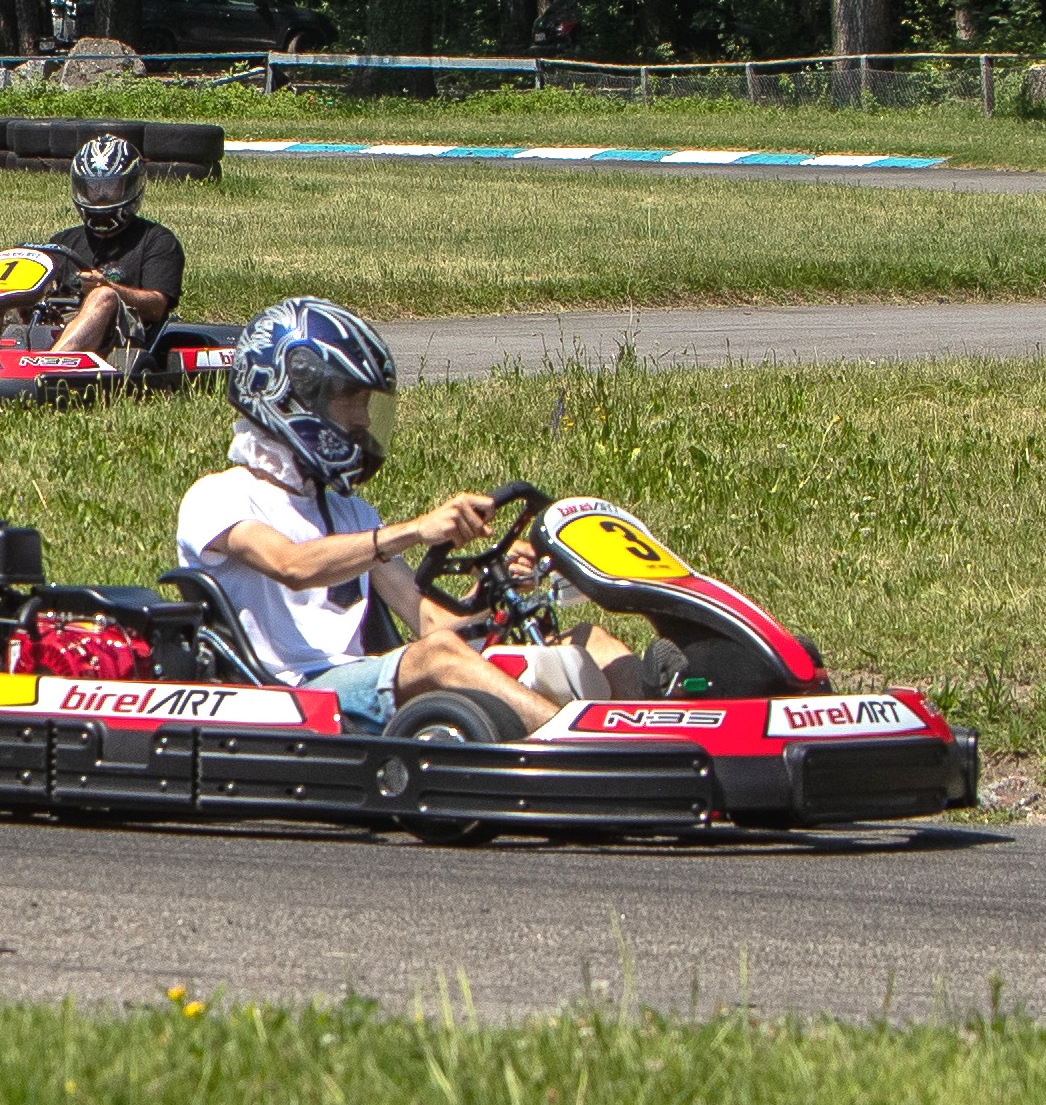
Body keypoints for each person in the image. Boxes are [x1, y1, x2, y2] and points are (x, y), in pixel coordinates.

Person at [169, 296, 638, 730]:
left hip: (357, 678)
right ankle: (574, 744)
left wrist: (489, 590)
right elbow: (291, 565)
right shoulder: (219, 496)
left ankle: (653, 741)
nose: (364, 419)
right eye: (349, 398)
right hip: (291, 694)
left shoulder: (351, 512)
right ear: (294, 397)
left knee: (589, 640)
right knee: (435, 658)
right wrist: (413, 531)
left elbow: (433, 626)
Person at [36, 129, 189, 360]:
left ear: (129, 187)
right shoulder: (62, 242)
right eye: (93, 188)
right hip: (58, 320)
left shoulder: (157, 241)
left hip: (120, 331)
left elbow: (157, 306)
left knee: (103, 297)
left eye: (110, 187)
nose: (100, 196)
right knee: (6, 294)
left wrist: (109, 288)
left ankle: (50, 365)